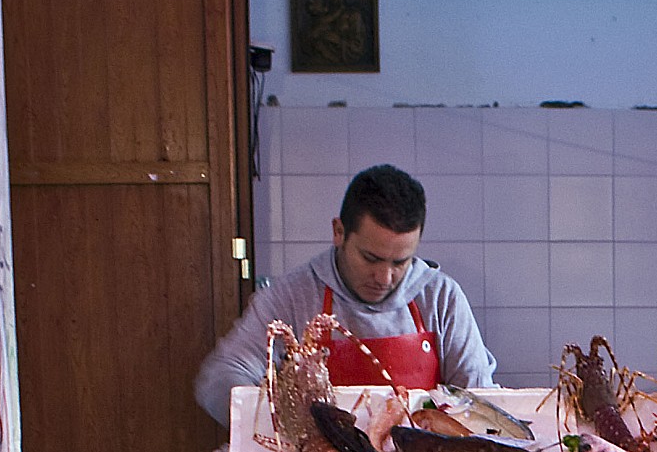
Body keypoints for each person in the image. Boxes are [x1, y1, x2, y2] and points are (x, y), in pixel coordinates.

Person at [195, 163, 496, 424]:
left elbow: (476, 400)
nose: (384, 277)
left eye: (400, 262)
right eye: (371, 258)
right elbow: (222, 376)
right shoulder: (291, 296)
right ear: (339, 232)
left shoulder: (441, 297)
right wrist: (282, 426)